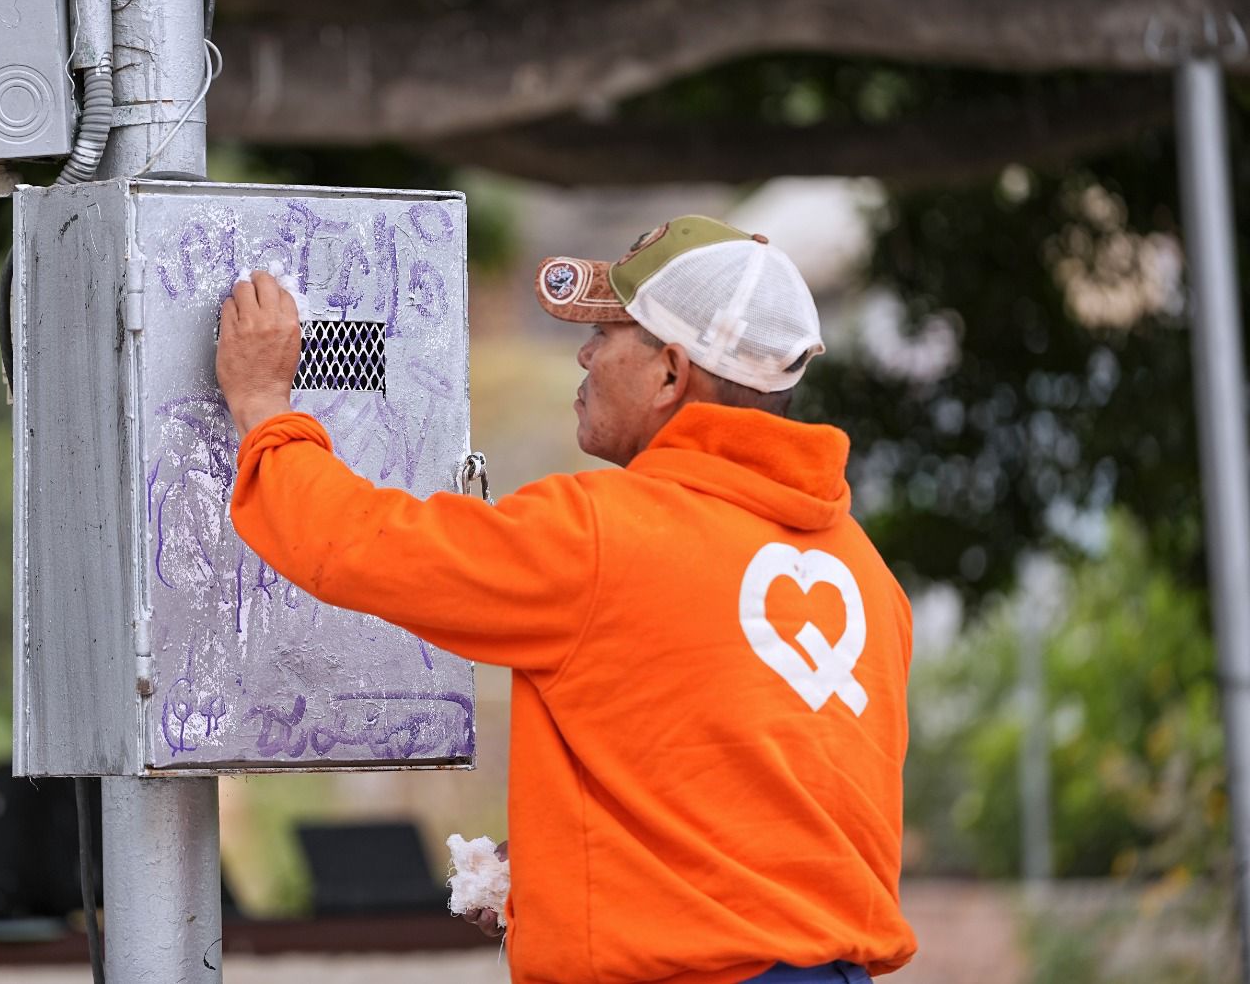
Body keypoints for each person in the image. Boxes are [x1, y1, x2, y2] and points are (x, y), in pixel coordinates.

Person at [216, 215, 918, 984]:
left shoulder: (600, 536)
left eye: (610, 334)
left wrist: (262, 407)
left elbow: (360, 546)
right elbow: (752, 807)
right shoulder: (865, 576)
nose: (584, 355)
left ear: (668, 375)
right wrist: (564, 868)